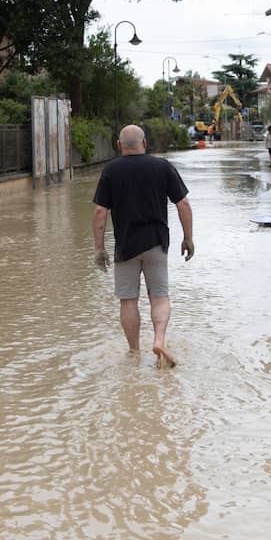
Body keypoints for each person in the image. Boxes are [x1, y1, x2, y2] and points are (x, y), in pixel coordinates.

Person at [92, 125, 194, 368]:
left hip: (126, 245)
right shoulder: (162, 167)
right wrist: (188, 238)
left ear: (119, 145)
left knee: (128, 300)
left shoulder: (110, 170)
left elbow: (99, 212)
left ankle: (134, 353)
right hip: (157, 242)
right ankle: (159, 341)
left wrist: (99, 249)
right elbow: (184, 204)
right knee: (160, 297)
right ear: (145, 143)